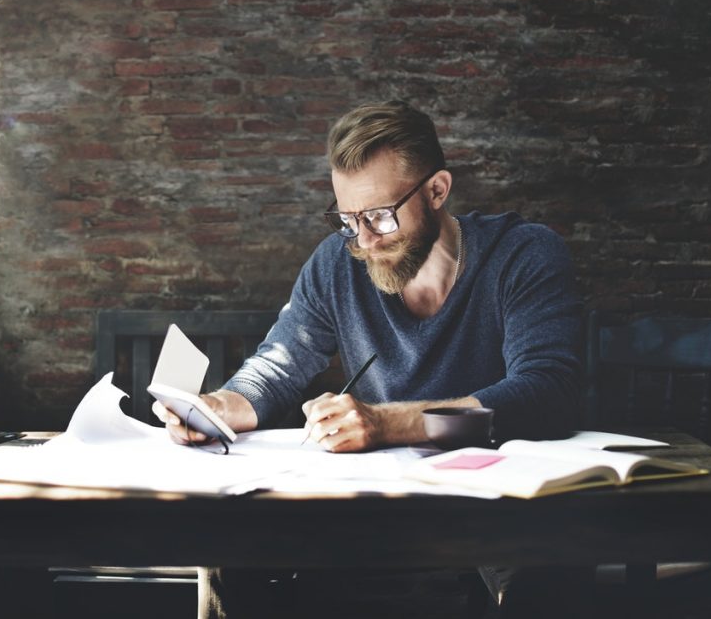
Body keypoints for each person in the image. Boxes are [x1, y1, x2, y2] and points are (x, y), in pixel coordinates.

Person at [153, 100, 583, 618]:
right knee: (226, 540)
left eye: (379, 215)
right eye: (348, 218)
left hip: (492, 504)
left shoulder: (523, 254)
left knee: (550, 557)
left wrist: (389, 422)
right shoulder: (337, 261)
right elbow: (280, 364)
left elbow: (547, 391)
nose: (364, 239)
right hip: (374, 504)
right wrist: (224, 405)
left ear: (437, 190)